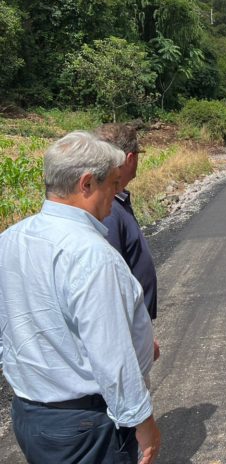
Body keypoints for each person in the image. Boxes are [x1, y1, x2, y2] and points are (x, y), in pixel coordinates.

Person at [0, 131, 160, 463]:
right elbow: (111, 355)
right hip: (86, 425)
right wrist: (142, 422)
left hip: (32, 416)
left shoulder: (11, 239)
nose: (117, 192)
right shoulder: (91, 255)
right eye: (113, 184)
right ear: (86, 184)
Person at [95, 124, 160, 365]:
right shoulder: (108, 211)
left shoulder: (116, 202)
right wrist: (136, 338)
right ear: (130, 158)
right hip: (123, 335)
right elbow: (109, 284)